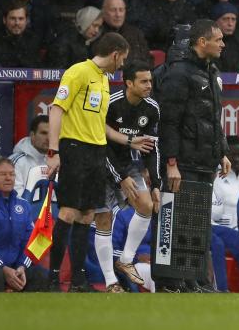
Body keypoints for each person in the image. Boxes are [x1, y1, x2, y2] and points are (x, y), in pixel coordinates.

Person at [45, 32, 140, 292]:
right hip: (74, 148)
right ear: (115, 54)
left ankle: (78, 280)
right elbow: (56, 109)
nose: (123, 65)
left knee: (87, 216)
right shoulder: (77, 72)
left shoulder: (103, 79)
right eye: (123, 59)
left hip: (97, 152)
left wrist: (129, 141)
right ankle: (53, 279)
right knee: (68, 212)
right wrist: (54, 152)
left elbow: (101, 126)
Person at [158, 19, 231, 292]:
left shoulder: (211, 73)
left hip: (205, 160)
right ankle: (170, 282)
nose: (223, 44)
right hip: (183, 160)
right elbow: (169, 122)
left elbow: (213, 117)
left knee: (197, 224)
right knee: (175, 221)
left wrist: (221, 151)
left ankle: (193, 280)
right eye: (219, 39)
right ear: (202, 42)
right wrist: (171, 163)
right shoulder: (179, 73)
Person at [98, 61, 161, 293]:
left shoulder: (152, 108)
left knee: (146, 204)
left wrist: (156, 182)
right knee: (103, 219)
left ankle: (125, 259)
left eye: (150, 81)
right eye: (144, 81)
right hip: (101, 163)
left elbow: (151, 147)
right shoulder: (111, 104)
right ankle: (110, 283)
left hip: (126, 162)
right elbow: (101, 143)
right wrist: (120, 177)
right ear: (129, 83)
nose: (149, 86)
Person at [0, 157, 47, 292]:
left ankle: (32, 312)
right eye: (3, 174)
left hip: (17, 266)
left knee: (41, 275)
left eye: (12, 174)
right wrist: (3, 267)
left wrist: (22, 267)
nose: (8, 178)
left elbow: (30, 240)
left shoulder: (23, 204)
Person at [96, 0, 152, 66]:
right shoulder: (96, 33)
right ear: (103, 12)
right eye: (113, 10)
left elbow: (148, 59)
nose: (118, 14)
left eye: (121, 10)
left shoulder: (135, 33)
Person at [213, 136, 239, 229]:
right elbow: (212, 213)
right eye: (232, 155)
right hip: (222, 230)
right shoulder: (215, 175)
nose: (237, 159)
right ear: (225, 156)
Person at [0, 0, 42, 67]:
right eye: (13, 18)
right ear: (4, 20)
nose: (17, 23)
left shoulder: (33, 41)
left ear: (26, 21)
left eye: (21, 19)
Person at [9, 115, 49, 198]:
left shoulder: (57, 161)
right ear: (32, 135)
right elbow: (15, 197)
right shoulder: (17, 162)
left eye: (52, 134)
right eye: (43, 133)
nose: (48, 138)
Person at [211, 2, 239, 72]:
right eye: (225, 19)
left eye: (233, 19)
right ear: (215, 21)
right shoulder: (208, 42)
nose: (230, 24)